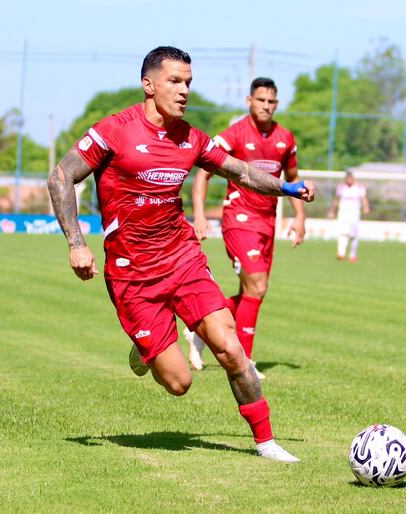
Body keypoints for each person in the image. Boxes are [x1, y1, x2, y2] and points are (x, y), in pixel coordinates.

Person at [46, 47, 315, 463]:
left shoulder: (191, 137)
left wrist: (288, 188)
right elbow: (61, 175)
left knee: (229, 347)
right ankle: (144, 348)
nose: (185, 90)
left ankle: (266, 441)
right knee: (179, 382)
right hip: (132, 274)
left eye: (189, 81)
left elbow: (240, 171)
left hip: (182, 258)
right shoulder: (114, 131)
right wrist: (76, 243)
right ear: (149, 85)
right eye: (175, 81)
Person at [186, 77, 305, 377]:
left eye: (271, 102)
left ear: (276, 104)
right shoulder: (234, 135)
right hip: (238, 221)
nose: (266, 106)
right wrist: (199, 216)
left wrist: (300, 217)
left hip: (268, 223)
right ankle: (246, 361)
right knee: (258, 286)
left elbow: (292, 180)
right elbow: (203, 174)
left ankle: (201, 328)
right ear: (249, 101)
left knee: (253, 292)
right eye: (260, 100)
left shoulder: (285, 139)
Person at [328, 171, 369, 262]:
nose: (349, 180)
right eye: (347, 178)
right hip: (343, 211)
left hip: (355, 212)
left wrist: (366, 207)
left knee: (353, 234)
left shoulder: (359, 187)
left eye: (351, 178)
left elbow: (364, 198)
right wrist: (332, 211)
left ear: (353, 178)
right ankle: (341, 253)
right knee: (342, 232)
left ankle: (352, 254)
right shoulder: (341, 187)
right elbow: (336, 200)